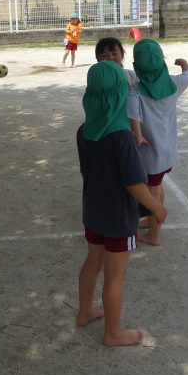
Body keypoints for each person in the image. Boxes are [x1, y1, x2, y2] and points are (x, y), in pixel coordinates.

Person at [76, 61, 167, 347]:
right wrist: (156, 207)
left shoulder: (84, 131)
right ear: (120, 96)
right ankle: (113, 334)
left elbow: (87, 171)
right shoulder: (123, 137)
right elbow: (134, 184)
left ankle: (84, 312)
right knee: (115, 277)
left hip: (93, 211)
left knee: (92, 262)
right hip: (118, 218)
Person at [128, 39, 188, 246]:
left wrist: (138, 135)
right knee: (157, 185)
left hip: (149, 155)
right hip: (166, 152)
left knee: (153, 191)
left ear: (136, 67)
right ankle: (150, 221)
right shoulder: (174, 84)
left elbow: (133, 116)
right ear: (163, 62)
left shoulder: (135, 92)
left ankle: (154, 235)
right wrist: (182, 62)